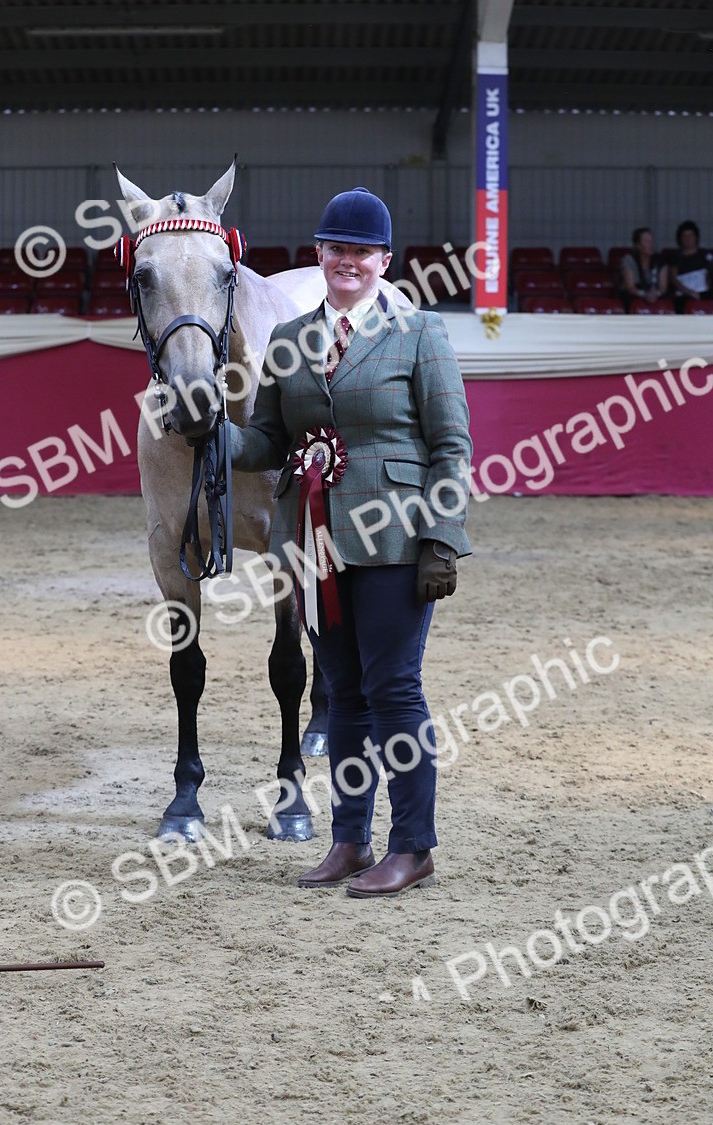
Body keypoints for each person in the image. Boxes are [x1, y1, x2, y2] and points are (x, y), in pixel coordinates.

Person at [229, 186, 472, 898]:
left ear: (384, 261)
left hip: (397, 539)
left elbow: (451, 444)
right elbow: (267, 440)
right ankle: (350, 840)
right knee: (341, 692)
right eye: (337, 248)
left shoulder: (420, 333)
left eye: (363, 252)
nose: (348, 261)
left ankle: (414, 847)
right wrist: (213, 433)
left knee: (393, 689)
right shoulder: (288, 339)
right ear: (319, 254)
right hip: (315, 543)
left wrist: (443, 538)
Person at [620, 227, 668, 311]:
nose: (651, 244)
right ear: (638, 245)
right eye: (647, 241)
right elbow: (630, 287)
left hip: (655, 294)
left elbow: (663, 287)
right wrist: (644, 294)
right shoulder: (629, 259)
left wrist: (656, 294)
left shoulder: (660, 260)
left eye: (651, 241)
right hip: (634, 295)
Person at [669, 220, 712, 312]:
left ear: (696, 237)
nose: (688, 239)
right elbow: (673, 278)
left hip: (704, 293)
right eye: (685, 236)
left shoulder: (705, 254)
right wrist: (689, 292)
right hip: (683, 295)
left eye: (691, 236)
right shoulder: (676, 256)